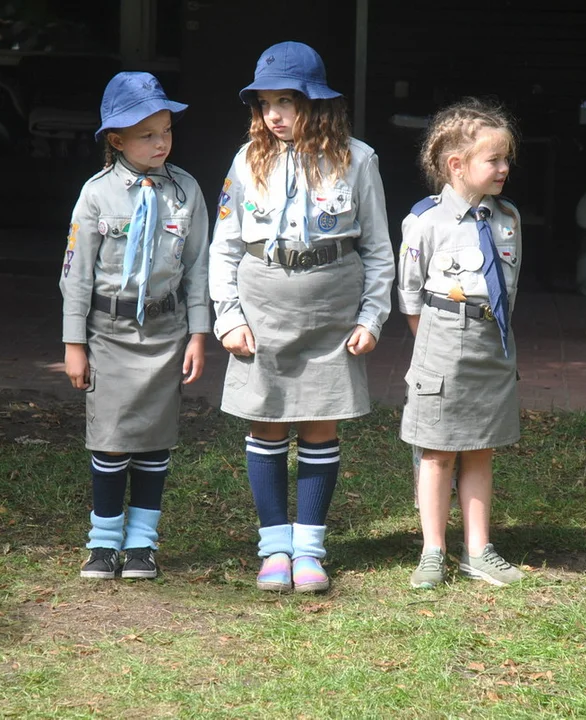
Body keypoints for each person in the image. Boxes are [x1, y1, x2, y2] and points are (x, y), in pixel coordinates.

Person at [209, 41, 395, 593]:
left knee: (320, 422)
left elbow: (380, 250)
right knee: (265, 422)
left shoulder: (358, 160)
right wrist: (228, 316)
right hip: (262, 305)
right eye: (265, 103)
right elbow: (223, 247)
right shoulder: (246, 160)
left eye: (287, 101)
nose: (274, 115)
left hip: (332, 308)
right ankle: (273, 547)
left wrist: (372, 316)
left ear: (318, 104)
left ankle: (310, 547)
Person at [60, 71, 210, 581]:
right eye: (147, 134)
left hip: (166, 333)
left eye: (166, 130)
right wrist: (73, 343)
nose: (160, 143)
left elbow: (198, 269)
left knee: (154, 439)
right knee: (110, 438)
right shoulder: (97, 195)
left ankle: (142, 544)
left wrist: (197, 334)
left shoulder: (185, 190)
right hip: (109, 332)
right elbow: (76, 275)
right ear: (116, 140)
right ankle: (103, 544)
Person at [397, 97, 526, 589]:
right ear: (456, 165)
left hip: (493, 344)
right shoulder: (425, 222)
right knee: (436, 451)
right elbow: (409, 296)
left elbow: (510, 286)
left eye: (505, 159)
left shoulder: (507, 218)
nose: (504, 169)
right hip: (441, 341)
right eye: (493, 160)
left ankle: (478, 550)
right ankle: (433, 549)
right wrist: (433, 346)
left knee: (481, 448)